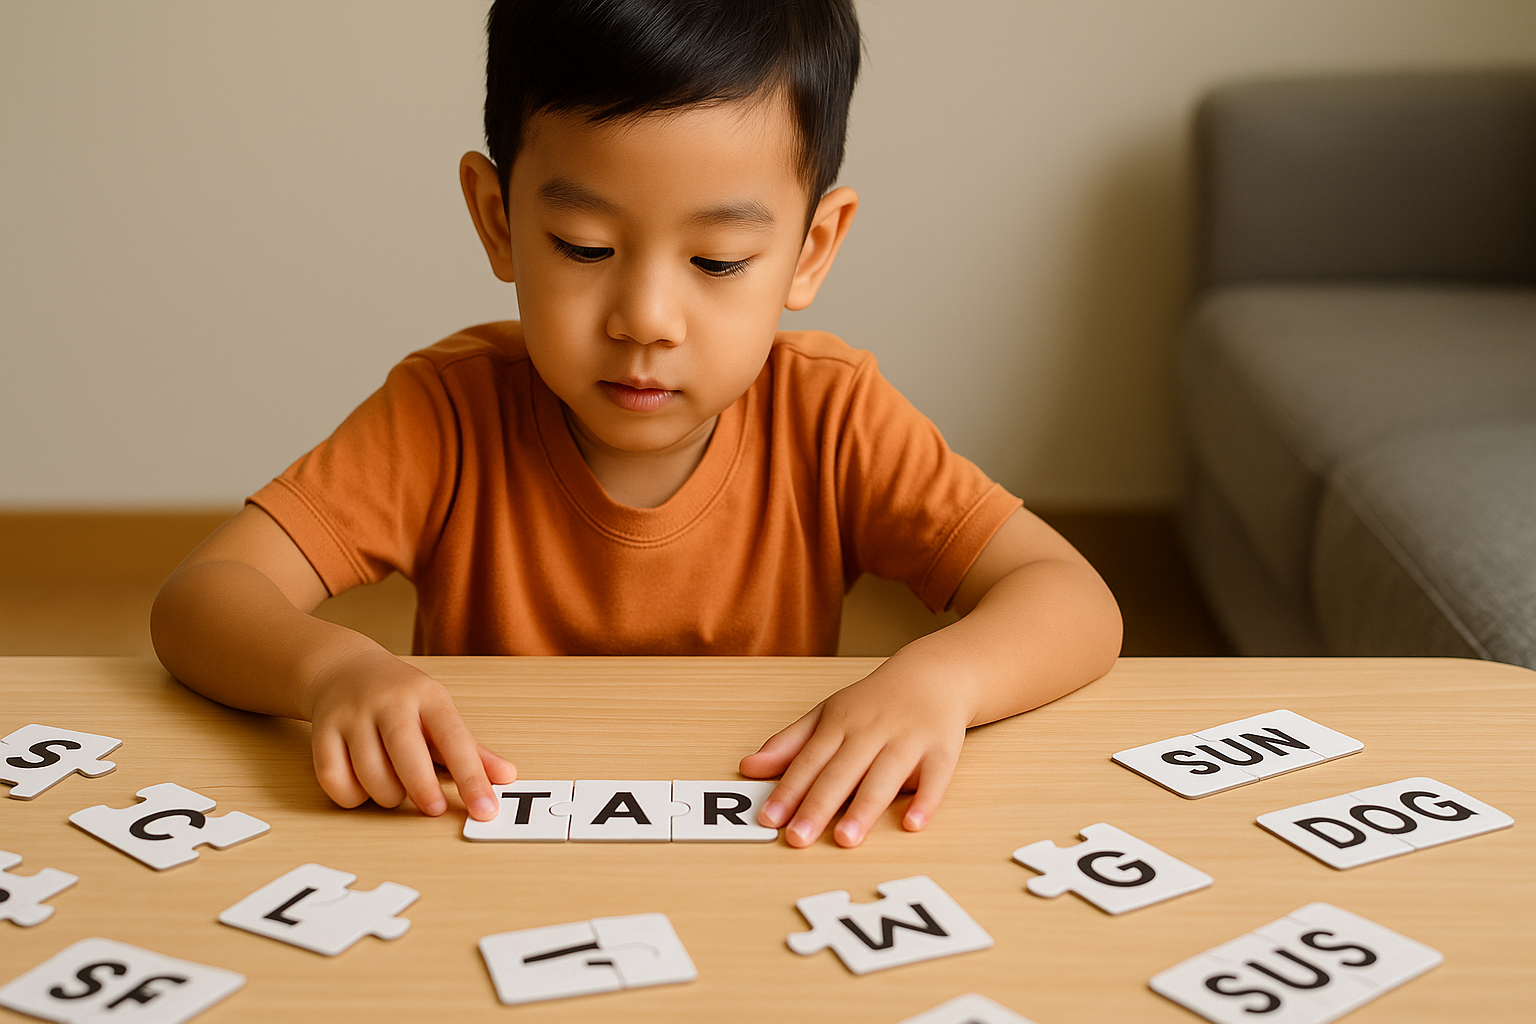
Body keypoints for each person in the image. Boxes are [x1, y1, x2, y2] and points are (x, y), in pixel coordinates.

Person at [150, 0, 1122, 850]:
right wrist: (332, 671)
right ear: (497, 219)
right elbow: (203, 596)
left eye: (718, 260)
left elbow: (1072, 599)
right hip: (484, 853)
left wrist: (937, 681)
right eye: (586, 246)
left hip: (755, 850)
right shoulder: (445, 413)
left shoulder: (833, 415)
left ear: (810, 249)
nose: (646, 318)